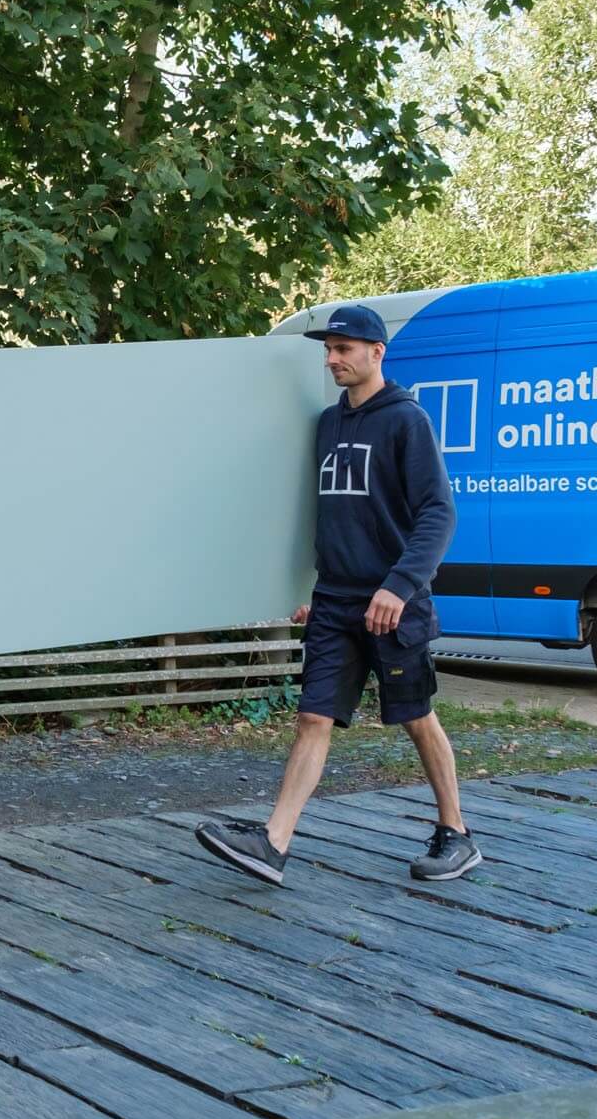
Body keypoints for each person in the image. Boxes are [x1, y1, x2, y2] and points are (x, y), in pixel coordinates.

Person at [194, 304, 481, 886]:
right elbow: (322, 517)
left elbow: (438, 513)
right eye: (329, 349)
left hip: (391, 606)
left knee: (417, 717)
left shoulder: (407, 421)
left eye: (344, 349)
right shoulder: (328, 423)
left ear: (377, 352)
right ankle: (274, 843)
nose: (332, 359)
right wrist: (305, 587)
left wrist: (399, 587)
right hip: (334, 601)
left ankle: (457, 834)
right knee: (312, 718)